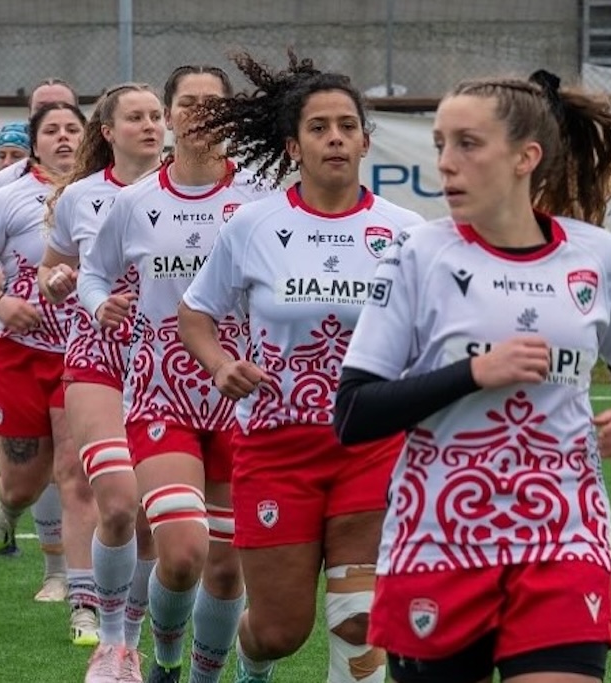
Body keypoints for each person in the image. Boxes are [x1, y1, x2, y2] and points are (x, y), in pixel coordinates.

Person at [334, 70, 611, 683]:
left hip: (564, 535)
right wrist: (473, 372)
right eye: (439, 144)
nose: (446, 163)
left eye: (467, 143)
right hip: (438, 540)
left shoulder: (597, 256)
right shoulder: (417, 257)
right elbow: (355, 413)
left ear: (526, 157)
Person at [178, 51, 424, 683]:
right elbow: (196, 314)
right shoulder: (253, 225)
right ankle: (243, 661)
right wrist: (220, 365)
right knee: (280, 632)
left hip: (371, 447)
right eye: (319, 127)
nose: (335, 137)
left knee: (358, 619)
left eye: (347, 125)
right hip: (275, 449)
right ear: (294, 145)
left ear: (367, 140)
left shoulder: (407, 233)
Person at [77, 64, 271, 683]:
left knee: (226, 568)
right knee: (183, 553)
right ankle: (133, 650)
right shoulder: (135, 203)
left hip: (244, 398)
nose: (200, 115)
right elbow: (93, 273)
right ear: (169, 115)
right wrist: (98, 304)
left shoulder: (264, 200)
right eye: (188, 104)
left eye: (215, 105)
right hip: (163, 395)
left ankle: (202, 675)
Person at [0, 101, 101, 645]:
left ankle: (83, 600)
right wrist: (0, 304)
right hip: (21, 351)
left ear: (90, 137)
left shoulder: (112, 191)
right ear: (34, 146)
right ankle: (4, 507)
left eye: (72, 129)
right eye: (51, 131)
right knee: (25, 479)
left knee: (74, 472)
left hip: (86, 353)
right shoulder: (9, 197)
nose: (62, 138)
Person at [38, 82, 166, 682]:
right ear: (108, 132)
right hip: (99, 356)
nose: (150, 125)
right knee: (116, 498)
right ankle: (108, 642)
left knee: (146, 519)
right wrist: (61, 285)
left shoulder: (187, 193)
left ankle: (131, 640)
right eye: (135, 117)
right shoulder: (80, 196)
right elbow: (52, 266)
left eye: (157, 115)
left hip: (168, 362)